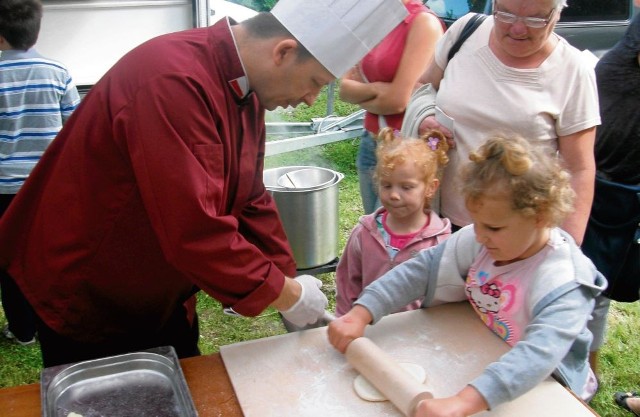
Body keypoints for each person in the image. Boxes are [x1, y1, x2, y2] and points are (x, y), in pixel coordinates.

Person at [0, 0, 409, 367]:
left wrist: (290, 276)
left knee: (182, 377)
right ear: (283, 52)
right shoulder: (172, 80)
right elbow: (192, 228)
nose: (310, 100)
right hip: (93, 282)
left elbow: (250, 195)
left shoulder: (247, 89)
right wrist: (282, 293)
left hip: (160, 285)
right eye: (317, 82)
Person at [328, 134, 606, 417]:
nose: (481, 236)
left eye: (494, 228)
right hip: (488, 353)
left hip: (548, 386)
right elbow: (419, 271)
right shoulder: (480, 238)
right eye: (477, 223)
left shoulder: (565, 280)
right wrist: (362, 312)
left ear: (541, 217)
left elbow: (539, 354)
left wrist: (465, 401)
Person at [410, 0, 599, 245]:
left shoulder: (573, 71)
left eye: (534, 19)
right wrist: (424, 117)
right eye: (505, 14)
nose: (517, 29)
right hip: (439, 226)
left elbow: (579, 169)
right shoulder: (466, 31)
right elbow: (421, 87)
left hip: (517, 241)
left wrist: (567, 249)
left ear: (556, 14)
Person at [0, 0, 81, 346]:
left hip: (3, 188)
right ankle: (53, 320)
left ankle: (23, 329)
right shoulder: (58, 71)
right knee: (46, 255)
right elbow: (74, 129)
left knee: (7, 258)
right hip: (45, 186)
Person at [580, 0, 640, 400]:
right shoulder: (626, 54)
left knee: (594, 290)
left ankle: (586, 377)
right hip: (606, 186)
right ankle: (586, 377)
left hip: (622, 187)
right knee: (590, 288)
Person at [339, 0, 445, 214]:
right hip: (371, 141)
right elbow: (344, 89)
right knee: (374, 228)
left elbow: (398, 101)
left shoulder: (423, 23)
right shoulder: (377, 21)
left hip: (406, 149)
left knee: (397, 232)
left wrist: (369, 88)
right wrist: (381, 89)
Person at [335, 127, 451, 316]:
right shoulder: (364, 233)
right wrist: (345, 319)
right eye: (386, 185)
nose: (394, 195)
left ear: (430, 187)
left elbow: (444, 298)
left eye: (407, 187)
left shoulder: (440, 243)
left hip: (415, 336)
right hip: (367, 329)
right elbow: (348, 283)